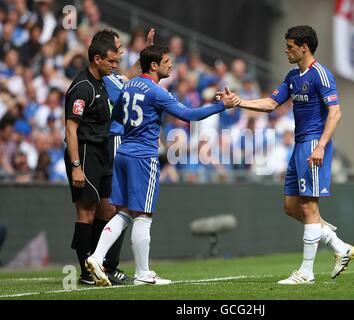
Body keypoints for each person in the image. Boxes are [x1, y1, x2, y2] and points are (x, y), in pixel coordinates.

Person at [85, 45, 240, 286]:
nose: (171, 65)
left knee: (124, 212)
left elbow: (115, 119)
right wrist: (222, 106)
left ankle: (96, 257)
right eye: (167, 61)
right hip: (143, 157)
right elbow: (189, 115)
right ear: (154, 65)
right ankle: (143, 274)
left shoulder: (128, 86)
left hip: (123, 152)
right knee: (144, 215)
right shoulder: (156, 91)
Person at [224, 26, 354, 284]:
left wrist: (320, 146)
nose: (286, 50)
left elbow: (335, 113)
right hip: (299, 146)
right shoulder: (293, 75)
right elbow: (271, 104)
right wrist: (240, 102)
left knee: (308, 206)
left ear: (304, 47)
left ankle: (306, 273)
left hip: (313, 145)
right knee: (291, 206)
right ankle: (339, 246)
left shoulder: (321, 75)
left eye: (290, 46)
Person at [84, 28, 155, 285]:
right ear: (100, 54)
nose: (119, 56)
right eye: (116, 51)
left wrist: (145, 55)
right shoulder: (98, 82)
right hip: (110, 148)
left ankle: (102, 262)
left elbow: (129, 76)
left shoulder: (109, 80)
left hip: (112, 148)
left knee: (116, 209)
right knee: (122, 210)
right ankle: (101, 263)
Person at [64, 34, 119, 285]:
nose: (114, 65)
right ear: (96, 59)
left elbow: (124, 75)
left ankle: (96, 262)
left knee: (107, 210)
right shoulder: (82, 87)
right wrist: (76, 166)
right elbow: (70, 129)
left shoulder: (103, 81)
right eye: (111, 61)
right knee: (86, 213)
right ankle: (85, 272)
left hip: (102, 152)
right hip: (85, 153)